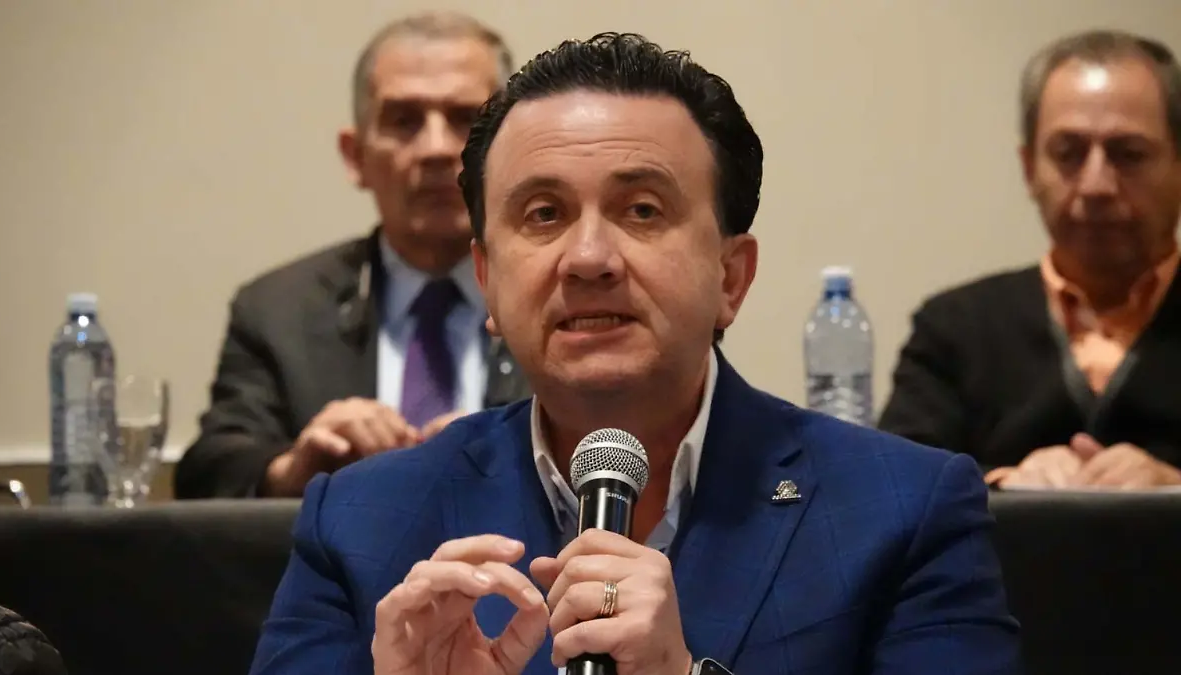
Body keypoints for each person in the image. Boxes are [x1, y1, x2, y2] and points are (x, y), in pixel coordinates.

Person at [249, 32, 1019, 675]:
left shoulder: (905, 510)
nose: (589, 257)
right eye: (543, 213)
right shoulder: (357, 523)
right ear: (487, 280)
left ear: (731, 277)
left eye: (641, 209)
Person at [174, 11, 530, 499]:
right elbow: (211, 469)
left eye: (465, 119)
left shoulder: (566, 292)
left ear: (508, 153)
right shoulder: (279, 311)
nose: (436, 148)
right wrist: (293, 469)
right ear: (355, 155)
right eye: (404, 120)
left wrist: (514, 450)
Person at [879, 29, 1181, 491]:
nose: (1096, 185)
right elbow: (890, 491)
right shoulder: (954, 330)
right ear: (1028, 168)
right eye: (1068, 154)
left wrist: (1174, 488)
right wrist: (1001, 487)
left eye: (1129, 154)